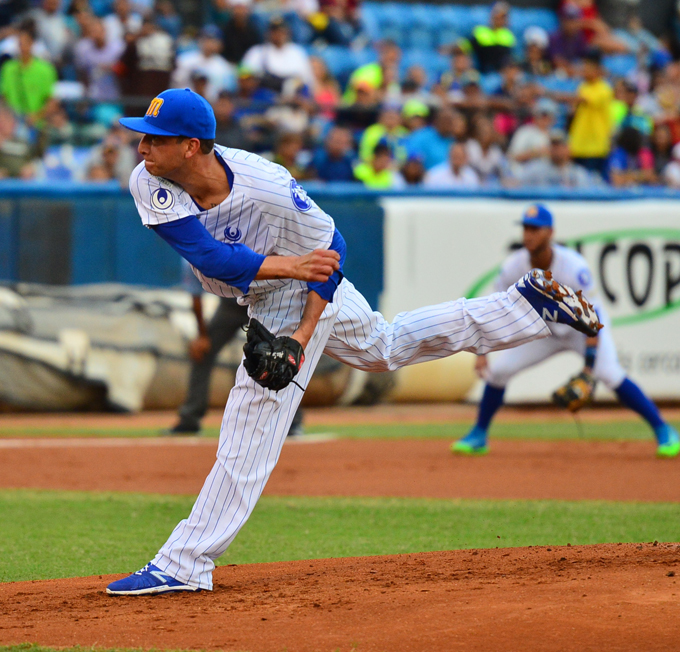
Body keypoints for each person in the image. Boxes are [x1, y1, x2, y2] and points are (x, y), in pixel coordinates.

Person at [106, 88, 601, 595]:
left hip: (297, 291)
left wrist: (299, 333)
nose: (141, 147)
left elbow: (331, 250)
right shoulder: (148, 182)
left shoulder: (267, 185)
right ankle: (524, 308)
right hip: (276, 278)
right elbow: (210, 259)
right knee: (382, 347)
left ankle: (186, 562)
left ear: (191, 146)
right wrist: (294, 270)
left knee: (250, 425)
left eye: (154, 139)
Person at [452, 204, 679, 459]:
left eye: (535, 229)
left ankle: (664, 429)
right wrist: (482, 350)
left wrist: (589, 367)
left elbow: (592, 320)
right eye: (526, 228)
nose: (528, 235)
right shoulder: (513, 267)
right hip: (544, 329)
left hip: (581, 329)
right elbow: (494, 310)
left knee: (610, 373)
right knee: (500, 371)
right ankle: (479, 434)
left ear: (550, 232)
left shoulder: (573, 267)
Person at [167, 260, 304, 437]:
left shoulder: (239, 237)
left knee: (279, 356)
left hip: (263, 300)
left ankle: (291, 420)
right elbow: (196, 296)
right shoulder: (192, 258)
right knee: (202, 352)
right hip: (230, 305)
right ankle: (190, 419)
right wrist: (202, 336)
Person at [0, 19, 57, 125]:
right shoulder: (8, 68)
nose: (22, 47)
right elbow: (4, 97)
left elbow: (51, 101)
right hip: (13, 123)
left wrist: (36, 116)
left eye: (25, 43)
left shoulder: (45, 70)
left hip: (36, 123)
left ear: (32, 44)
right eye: (20, 44)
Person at [568, 49, 613, 179]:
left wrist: (550, 94)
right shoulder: (583, 86)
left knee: (590, 181)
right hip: (578, 145)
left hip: (595, 146)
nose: (585, 71)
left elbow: (582, 100)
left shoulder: (604, 88)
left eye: (588, 68)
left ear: (597, 70)